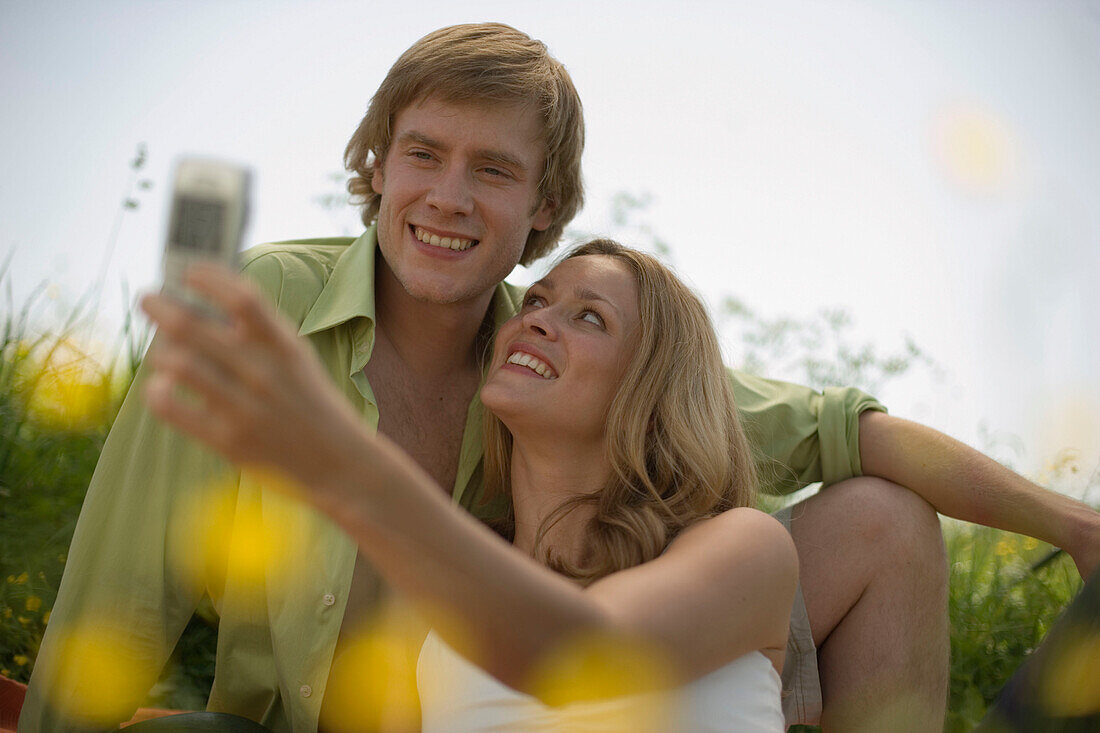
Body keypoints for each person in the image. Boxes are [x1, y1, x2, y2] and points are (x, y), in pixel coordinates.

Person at [20, 21, 1098, 733]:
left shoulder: (550, 364)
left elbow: (840, 429)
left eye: (492, 170)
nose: (447, 197)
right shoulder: (271, 314)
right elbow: (118, 589)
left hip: (559, 663)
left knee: (879, 513)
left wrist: (1066, 522)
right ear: (376, 166)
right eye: (423, 154)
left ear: (542, 207)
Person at [138, 239, 798, 732]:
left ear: (654, 391)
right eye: (537, 299)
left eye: (589, 317)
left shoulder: (744, 546)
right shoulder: (433, 599)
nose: (537, 318)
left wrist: (342, 464)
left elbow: (582, 660)